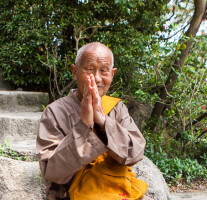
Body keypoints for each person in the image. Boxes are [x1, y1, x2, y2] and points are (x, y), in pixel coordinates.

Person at [36, 42, 148, 200]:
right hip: (71, 194)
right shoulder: (54, 112)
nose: (96, 78)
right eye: (89, 69)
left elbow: (135, 153)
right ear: (74, 72)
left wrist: (103, 121)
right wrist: (84, 126)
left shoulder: (117, 107)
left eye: (104, 70)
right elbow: (52, 172)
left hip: (117, 189)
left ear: (112, 74)